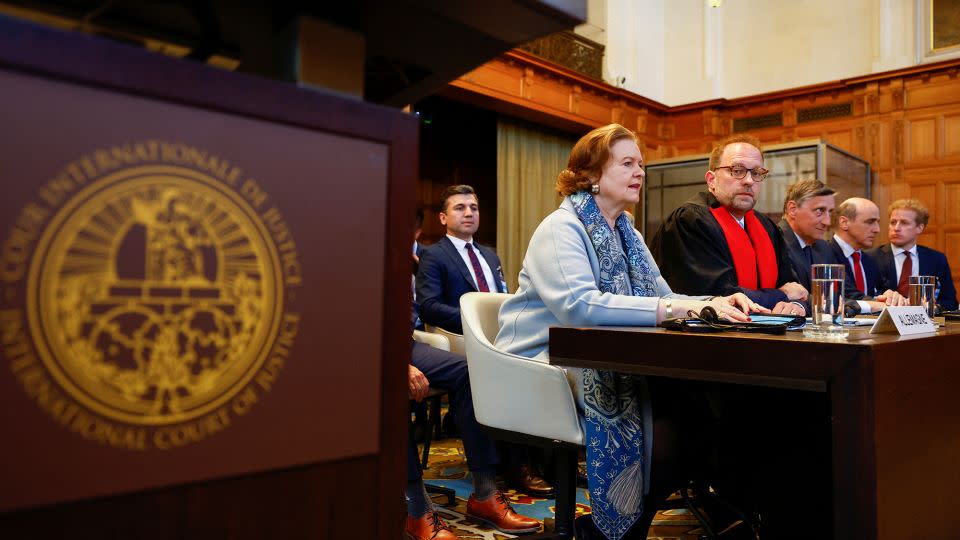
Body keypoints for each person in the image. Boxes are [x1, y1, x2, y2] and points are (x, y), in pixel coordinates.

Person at [495, 124, 763, 540]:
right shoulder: (560, 227)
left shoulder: (629, 234)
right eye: (627, 163)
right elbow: (580, 307)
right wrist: (681, 306)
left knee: (699, 412)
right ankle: (609, 531)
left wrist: (716, 303)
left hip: (596, 358)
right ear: (591, 175)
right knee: (672, 426)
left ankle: (616, 528)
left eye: (640, 164)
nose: (640, 172)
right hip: (542, 363)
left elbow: (666, 295)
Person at [406, 306, 540, 540]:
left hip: (401, 342)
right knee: (388, 385)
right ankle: (416, 509)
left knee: (469, 373)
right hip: (361, 345)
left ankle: (485, 494)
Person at [649, 133, 807, 315]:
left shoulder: (768, 227)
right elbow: (718, 298)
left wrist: (797, 306)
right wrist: (781, 296)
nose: (748, 181)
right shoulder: (691, 221)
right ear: (711, 180)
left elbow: (797, 291)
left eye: (756, 173)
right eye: (737, 170)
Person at [416, 185, 508, 334]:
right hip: (464, 336)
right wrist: (477, 318)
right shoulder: (433, 255)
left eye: (474, 208)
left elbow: (503, 296)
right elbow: (428, 307)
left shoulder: (491, 256)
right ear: (443, 218)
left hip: (503, 334)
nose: (469, 213)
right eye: (460, 208)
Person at [870, 199, 958, 310]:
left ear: (920, 228)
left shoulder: (936, 259)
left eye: (904, 223)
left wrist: (933, 307)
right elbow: (865, 297)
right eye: (893, 222)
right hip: (882, 319)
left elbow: (950, 302)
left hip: (923, 322)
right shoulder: (871, 257)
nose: (896, 228)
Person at [828, 198, 907, 313]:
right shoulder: (825, 254)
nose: (877, 229)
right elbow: (848, 296)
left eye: (877, 223)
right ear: (844, 223)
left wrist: (890, 296)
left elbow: (878, 293)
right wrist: (879, 303)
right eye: (870, 222)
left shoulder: (869, 259)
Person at [777, 178, 837, 294]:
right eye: (820, 210)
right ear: (792, 209)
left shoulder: (824, 248)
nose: (827, 222)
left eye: (830, 212)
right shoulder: (774, 242)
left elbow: (836, 295)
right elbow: (795, 297)